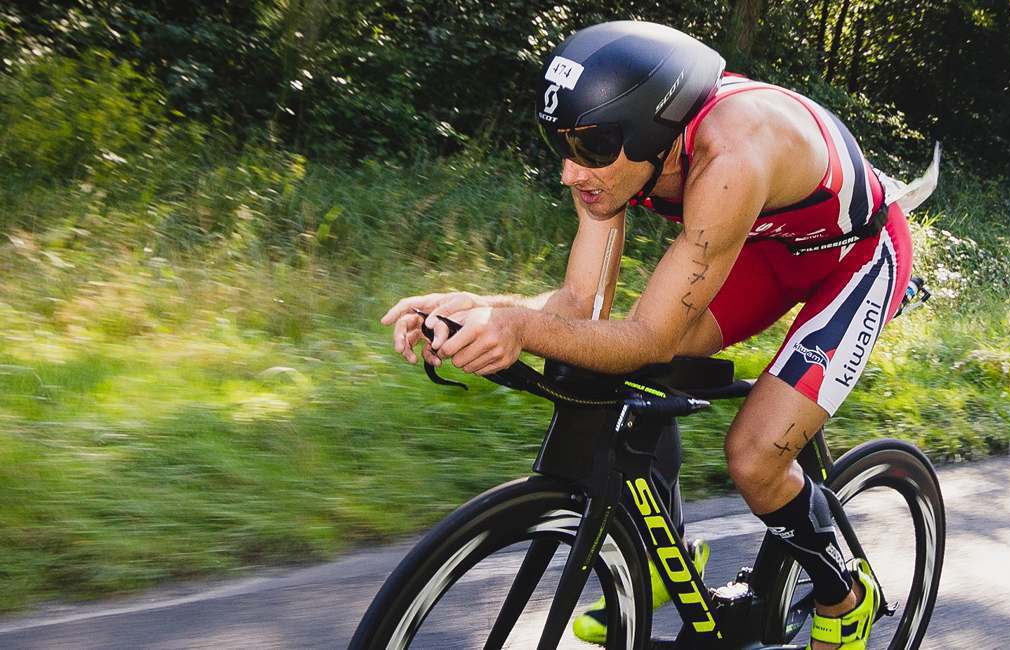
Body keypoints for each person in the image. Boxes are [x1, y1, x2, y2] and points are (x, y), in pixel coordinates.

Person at [378, 21, 937, 650]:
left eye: (587, 147)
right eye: (559, 144)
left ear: (652, 134)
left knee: (755, 457)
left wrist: (518, 326)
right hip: (761, 246)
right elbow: (580, 307)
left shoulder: (730, 155)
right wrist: (483, 307)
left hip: (855, 256)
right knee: (611, 355)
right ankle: (661, 551)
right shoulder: (613, 155)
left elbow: (646, 335)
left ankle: (846, 596)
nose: (569, 172)